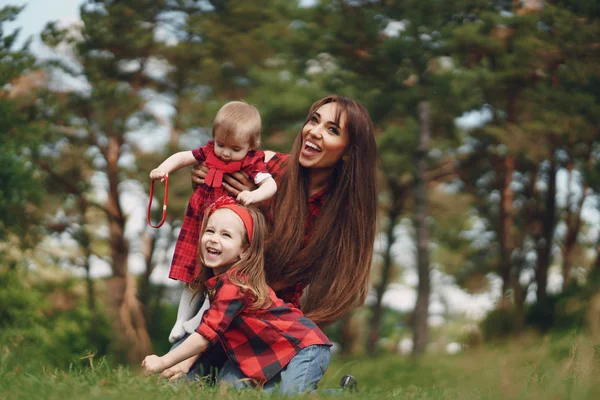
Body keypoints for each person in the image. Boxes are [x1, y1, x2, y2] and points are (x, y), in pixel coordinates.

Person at [163, 95, 376, 388]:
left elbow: (279, 275)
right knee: (173, 386)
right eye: (314, 120)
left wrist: (256, 207)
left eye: (332, 129)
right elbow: (212, 208)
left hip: (263, 320)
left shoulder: (340, 214)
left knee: (235, 390)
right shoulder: (264, 167)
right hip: (217, 308)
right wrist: (210, 184)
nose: (314, 131)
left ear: (348, 153)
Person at [142, 196, 332, 394]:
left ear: (244, 250)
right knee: (242, 394)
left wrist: (163, 361)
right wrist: (185, 363)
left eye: (226, 235)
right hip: (270, 352)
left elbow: (206, 334)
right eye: (210, 231)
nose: (214, 238)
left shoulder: (236, 285)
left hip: (306, 348)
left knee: (291, 397)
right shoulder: (221, 283)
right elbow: (213, 330)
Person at [150, 101, 278, 344]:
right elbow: (183, 156)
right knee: (192, 276)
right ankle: (181, 321)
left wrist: (253, 195)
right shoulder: (208, 152)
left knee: (220, 278)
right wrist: (163, 168)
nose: (225, 153)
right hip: (200, 224)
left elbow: (270, 185)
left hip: (227, 229)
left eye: (235, 148)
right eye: (221, 144)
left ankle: (199, 319)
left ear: (251, 146)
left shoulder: (252, 162)